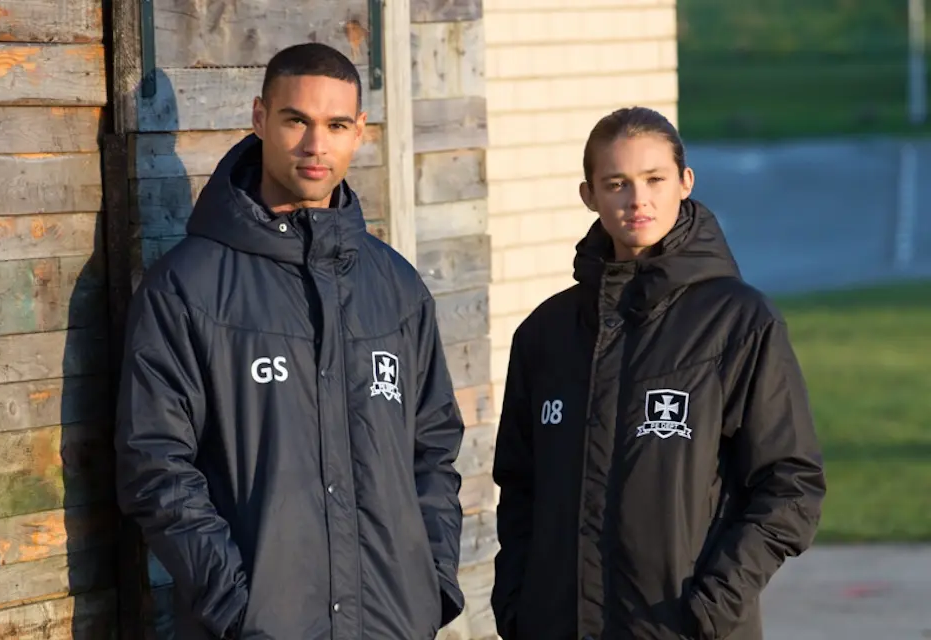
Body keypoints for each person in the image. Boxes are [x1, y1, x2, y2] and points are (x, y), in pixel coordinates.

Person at [114, 42, 466, 640]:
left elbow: (432, 450)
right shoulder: (187, 287)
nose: (314, 144)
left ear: (361, 133)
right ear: (259, 119)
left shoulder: (397, 287)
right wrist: (239, 609)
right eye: (295, 120)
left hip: (393, 621)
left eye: (335, 125)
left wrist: (430, 586)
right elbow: (156, 465)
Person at [490, 106, 826, 640]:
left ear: (685, 183)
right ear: (589, 195)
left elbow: (791, 485)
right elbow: (520, 485)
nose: (637, 199)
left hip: (682, 627)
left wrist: (714, 606)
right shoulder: (545, 334)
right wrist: (517, 604)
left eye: (654, 179)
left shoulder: (739, 322)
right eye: (617, 183)